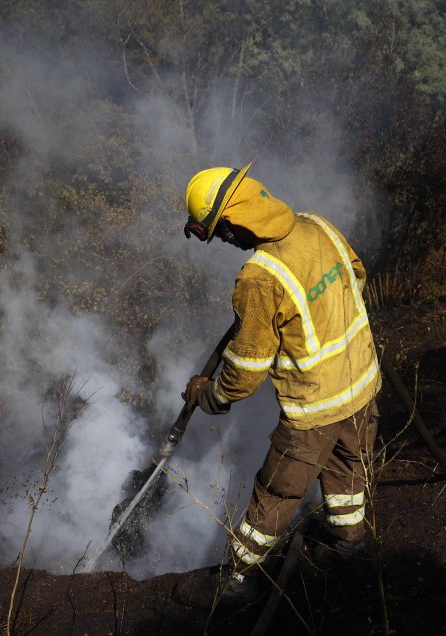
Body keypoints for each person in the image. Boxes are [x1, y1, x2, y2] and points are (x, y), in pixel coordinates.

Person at [174, 162, 381, 609]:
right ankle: (350, 546)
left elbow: (246, 370)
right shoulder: (317, 226)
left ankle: (235, 581)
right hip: (363, 385)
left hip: (314, 409)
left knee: (275, 493)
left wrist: (212, 396)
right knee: (347, 470)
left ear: (234, 221)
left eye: (223, 234)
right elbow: (357, 276)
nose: (228, 244)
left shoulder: (258, 277)